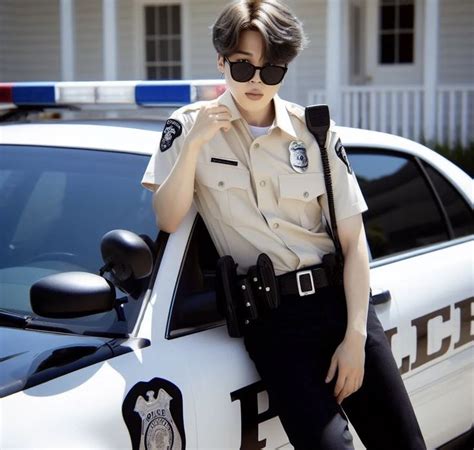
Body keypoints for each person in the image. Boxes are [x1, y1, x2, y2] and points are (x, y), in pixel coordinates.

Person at [141, 1, 427, 448]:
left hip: (340, 308)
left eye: (271, 70)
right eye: (243, 66)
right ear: (221, 61)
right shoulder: (186, 127)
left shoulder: (315, 132)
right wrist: (195, 145)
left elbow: (354, 245)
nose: (257, 81)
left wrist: (354, 339)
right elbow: (168, 216)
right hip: (274, 324)